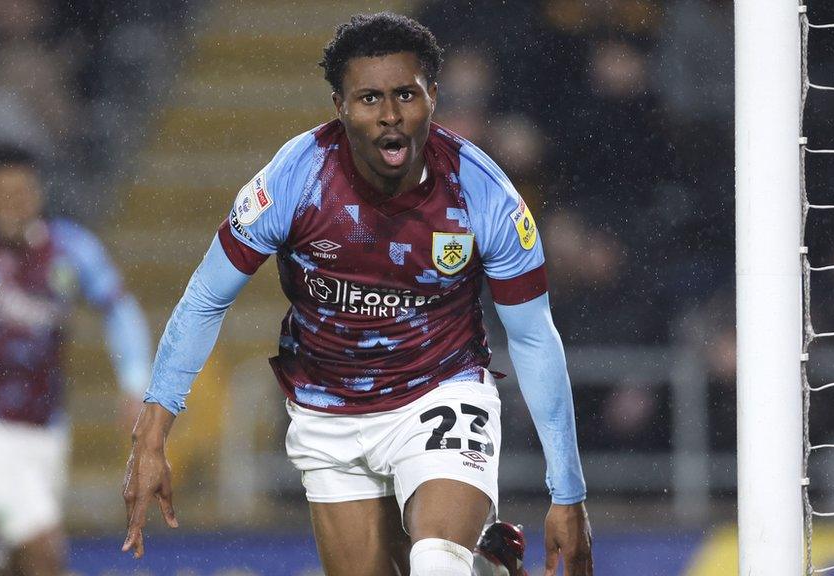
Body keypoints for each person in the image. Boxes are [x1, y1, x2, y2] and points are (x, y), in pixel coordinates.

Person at [122, 12, 592, 576]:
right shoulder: (294, 180)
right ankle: (488, 563)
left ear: (433, 97)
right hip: (328, 411)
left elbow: (534, 335)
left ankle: (460, 554)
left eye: (405, 95)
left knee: (436, 563)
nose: (390, 116)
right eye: (369, 98)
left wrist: (568, 493)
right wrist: (151, 438)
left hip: (440, 391)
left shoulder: (483, 193)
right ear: (339, 106)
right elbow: (205, 298)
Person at [0, 101, 152, 576]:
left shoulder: (70, 250)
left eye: (22, 193)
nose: (13, 205)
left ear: (37, 195)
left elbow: (119, 308)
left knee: (22, 555)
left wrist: (134, 380)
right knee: (44, 547)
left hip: (46, 426)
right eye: (1, 195)